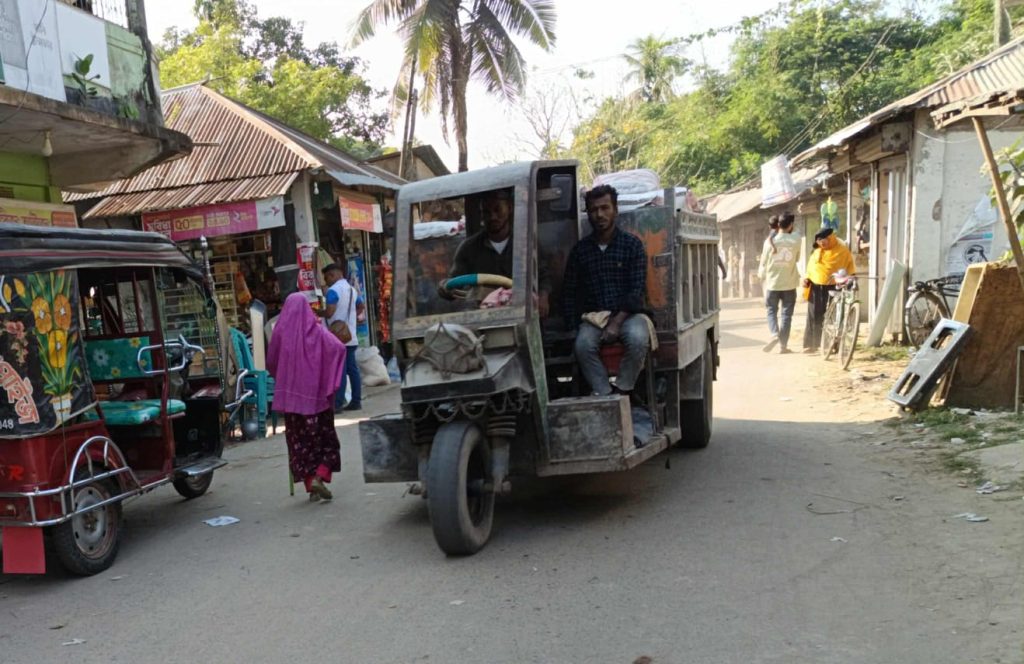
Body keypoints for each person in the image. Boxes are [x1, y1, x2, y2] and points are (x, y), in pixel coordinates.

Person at [563, 184, 649, 398]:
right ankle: (606, 395)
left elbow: (636, 290)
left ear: (615, 210)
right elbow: (570, 292)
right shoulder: (580, 251)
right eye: (594, 210)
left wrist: (616, 323)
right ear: (588, 214)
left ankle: (623, 390)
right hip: (594, 318)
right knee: (582, 346)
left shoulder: (632, 246)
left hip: (628, 315)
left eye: (605, 208)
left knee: (639, 338)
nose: (599, 214)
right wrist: (573, 326)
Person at [267, 293, 347, 502]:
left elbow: (271, 362)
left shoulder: (280, 333)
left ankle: (311, 484)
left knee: (301, 444)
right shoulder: (317, 331)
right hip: (317, 400)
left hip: (292, 403)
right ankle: (321, 475)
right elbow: (338, 348)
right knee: (324, 440)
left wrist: (285, 379)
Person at [439, 188, 550, 316]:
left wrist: (543, 297)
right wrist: (445, 287)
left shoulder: (526, 243)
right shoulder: (469, 248)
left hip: (523, 313)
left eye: (498, 210)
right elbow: (454, 282)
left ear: (509, 208)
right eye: (487, 212)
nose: (493, 217)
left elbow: (544, 276)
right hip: (485, 317)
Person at [802, 227, 856, 353]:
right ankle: (812, 344)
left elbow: (850, 266)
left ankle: (833, 344)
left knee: (833, 316)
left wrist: (851, 278)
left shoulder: (843, 251)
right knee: (813, 315)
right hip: (816, 285)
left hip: (835, 285)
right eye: (819, 240)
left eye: (824, 239)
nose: (822, 242)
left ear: (831, 238)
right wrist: (807, 278)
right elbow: (811, 268)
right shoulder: (816, 252)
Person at [757, 211, 801, 354]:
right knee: (786, 315)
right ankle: (783, 346)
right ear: (791, 225)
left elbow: (763, 262)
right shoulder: (796, 239)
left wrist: (761, 276)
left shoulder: (768, 242)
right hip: (789, 284)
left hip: (772, 284)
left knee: (771, 311)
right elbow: (798, 258)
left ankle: (774, 334)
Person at [321, 263, 361, 411]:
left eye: (327, 278)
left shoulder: (333, 290)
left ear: (333, 275)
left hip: (338, 338)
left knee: (340, 371)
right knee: (352, 369)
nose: (326, 281)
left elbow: (330, 313)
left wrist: (318, 313)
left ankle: (338, 403)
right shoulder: (352, 290)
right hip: (350, 335)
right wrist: (351, 319)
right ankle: (356, 401)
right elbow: (360, 306)